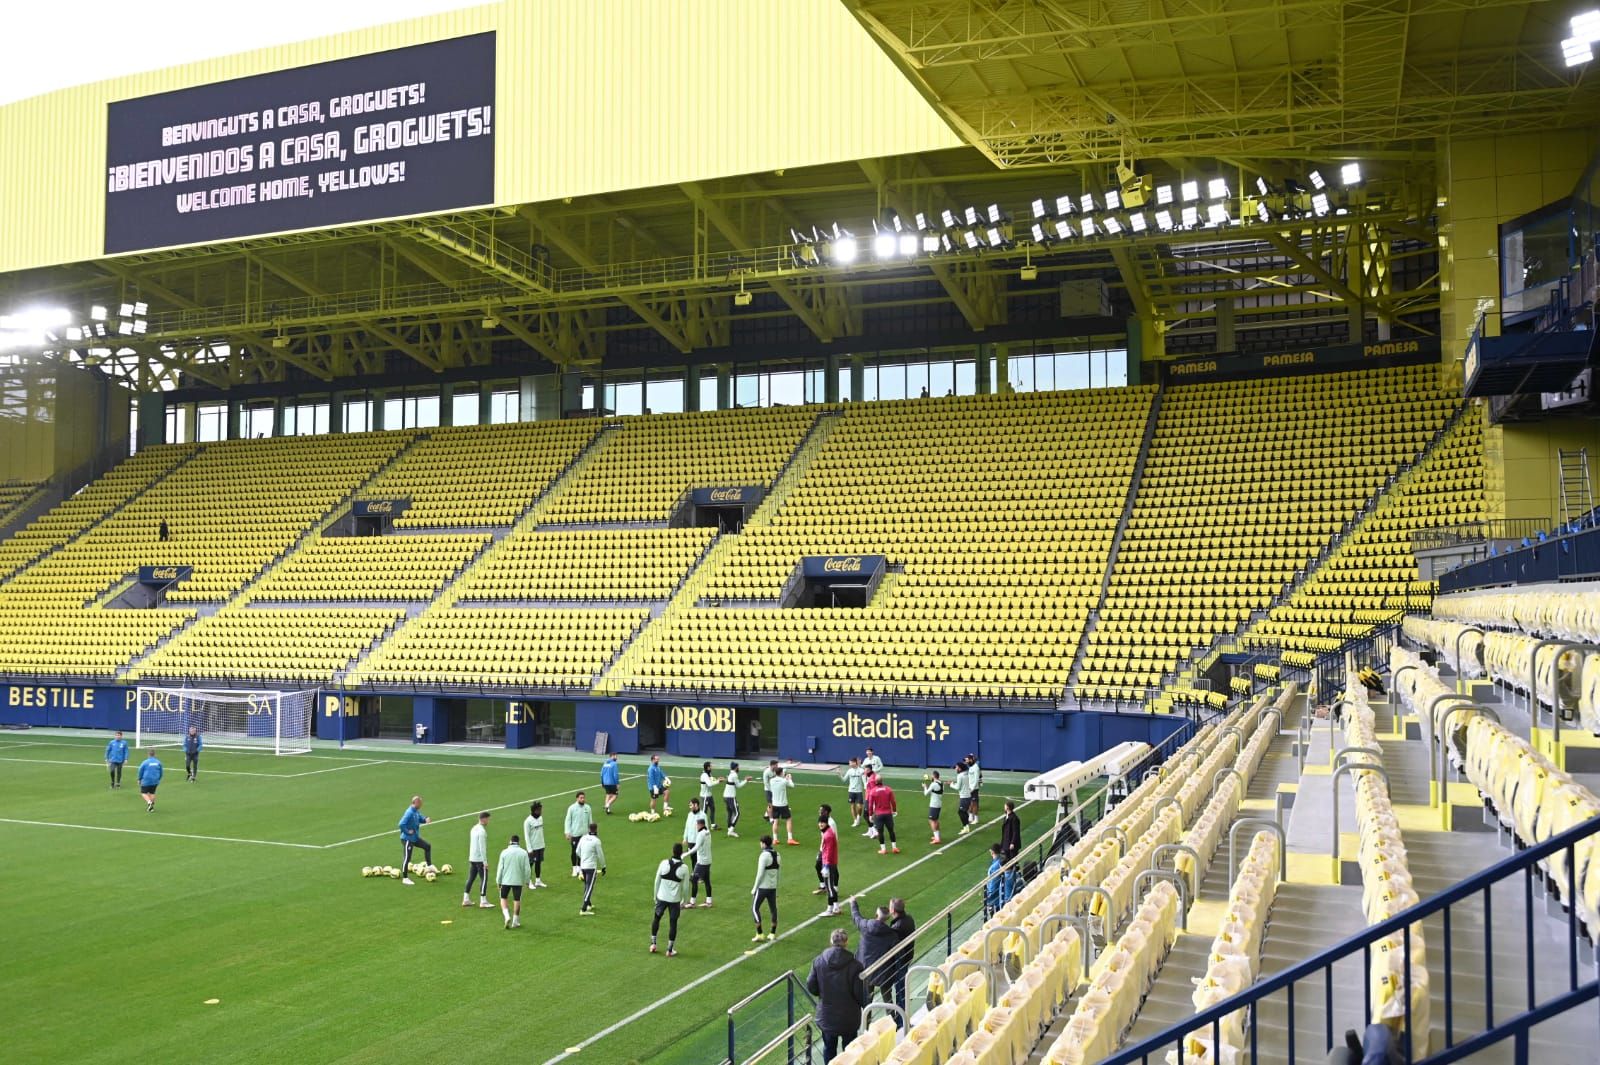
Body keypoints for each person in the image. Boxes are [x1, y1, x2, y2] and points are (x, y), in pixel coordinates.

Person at [807, 927, 867, 1061]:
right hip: (849, 1017)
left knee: (829, 1049)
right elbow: (860, 994)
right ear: (846, 942)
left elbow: (811, 985)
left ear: (831, 941)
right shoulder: (856, 965)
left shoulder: (818, 961)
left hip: (827, 1016)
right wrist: (865, 1005)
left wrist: (822, 994)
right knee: (850, 1051)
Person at [848, 897, 898, 1000]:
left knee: (867, 999)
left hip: (866, 969)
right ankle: (892, 1015)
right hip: (884, 972)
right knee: (888, 1000)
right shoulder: (892, 934)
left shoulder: (865, 926)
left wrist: (853, 903)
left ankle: (867, 1016)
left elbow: (856, 916)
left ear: (876, 915)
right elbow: (896, 954)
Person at [651, 842, 689, 956]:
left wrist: (655, 896)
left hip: (661, 898)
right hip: (674, 900)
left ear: (672, 851)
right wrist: (685, 901)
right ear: (681, 853)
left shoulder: (663, 863)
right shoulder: (684, 868)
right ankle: (670, 950)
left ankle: (653, 944)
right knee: (673, 923)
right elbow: (686, 887)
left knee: (656, 918)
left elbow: (657, 880)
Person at [885, 897, 916, 1010]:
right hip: (907, 957)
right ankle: (901, 1017)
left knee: (900, 990)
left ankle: (901, 1020)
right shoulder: (909, 919)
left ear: (893, 910)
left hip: (900, 961)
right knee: (901, 988)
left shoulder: (897, 927)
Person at [496, 833, 532, 929]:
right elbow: (527, 869)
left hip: (505, 880)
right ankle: (515, 921)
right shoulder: (523, 853)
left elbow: (500, 869)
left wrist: (498, 881)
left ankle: (507, 916)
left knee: (503, 898)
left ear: (510, 842)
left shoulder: (504, 852)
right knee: (517, 899)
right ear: (518, 842)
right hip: (518, 881)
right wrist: (527, 881)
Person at [751, 835, 781, 941]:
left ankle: (759, 934)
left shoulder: (764, 856)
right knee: (773, 909)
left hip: (763, 887)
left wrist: (754, 888)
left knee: (754, 908)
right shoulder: (777, 855)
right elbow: (778, 873)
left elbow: (760, 874)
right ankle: (772, 933)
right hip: (772, 887)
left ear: (764, 844)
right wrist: (776, 886)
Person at [397, 795, 431, 883]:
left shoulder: (416, 811)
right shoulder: (409, 812)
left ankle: (429, 866)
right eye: (420, 803)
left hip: (414, 838)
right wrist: (408, 832)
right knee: (407, 858)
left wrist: (425, 819)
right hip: (407, 839)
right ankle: (405, 878)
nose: (421, 804)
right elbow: (401, 824)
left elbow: (420, 818)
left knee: (427, 846)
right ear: (415, 803)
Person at [464, 811, 493, 908]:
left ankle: (466, 899)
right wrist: (485, 861)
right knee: (484, 879)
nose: (488, 821)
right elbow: (482, 848)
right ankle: (483, 901)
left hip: (472, 858)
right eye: (488, 819)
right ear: (483, 819)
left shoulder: (473, 828)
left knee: (471, 878)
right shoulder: (482, 831)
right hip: (479, 859)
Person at [684, 816, 714, 908]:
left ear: (700, 825)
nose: (696, 826)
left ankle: (692, 903)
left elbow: (696, 847)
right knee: (707, 881)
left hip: (701, 862)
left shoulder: (701, 834)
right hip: (708, 860)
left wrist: (686, 854)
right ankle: (709, 901)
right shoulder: (708, 832)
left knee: (693, 880)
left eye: (697, 825)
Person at [577, 823, 606, 915]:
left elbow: (577, 851)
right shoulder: (596, 841)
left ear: (588, 829)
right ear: (596, 829)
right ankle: (583, 909)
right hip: (591, 867)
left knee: (586, 885)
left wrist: (584, 857)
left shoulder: (583, 838)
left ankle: (589, 904)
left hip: (583, 866)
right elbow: (600, 855)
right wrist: (603, 866)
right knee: (589, 887)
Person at [813, 803, 840, 896]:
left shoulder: (831, 823)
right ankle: (823, 886)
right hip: (823, 848)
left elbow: (833, 837)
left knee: (833, 868)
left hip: (830, 849)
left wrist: (832, 850)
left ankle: (835, 887)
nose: (819, 812)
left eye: (821, 810)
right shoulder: (823, 821)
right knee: (818, 865)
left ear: (826, 812)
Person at [564, 791, 593, 878]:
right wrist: (567, 832)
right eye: (581, 798)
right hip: (575, 834)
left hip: (584, 834)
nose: (583, 799)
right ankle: (574, 868)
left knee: (582, 852)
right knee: (574, 851)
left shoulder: (587, 808)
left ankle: (580, 869)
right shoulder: (572, 808)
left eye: (583, 798)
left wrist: (591, 832)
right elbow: (568, 820)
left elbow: (590, 820)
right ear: (577, 798)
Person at [817, 813, 841, 916]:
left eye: (822, 822)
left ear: (826, 823)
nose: (820, 824)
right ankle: (835, 907)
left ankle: (830, 909)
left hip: (829, 863)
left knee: (830, 887)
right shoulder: (828, 832)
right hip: (829, 862)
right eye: (820, 822)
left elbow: (829, 851)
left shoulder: (828, 835)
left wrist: (826, 866)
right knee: (830, 887)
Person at [868, 776, 899, 855]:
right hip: (888, 813)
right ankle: (894, 847)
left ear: (875, 782)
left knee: (880, 832)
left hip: (878, 814)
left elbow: (870, 805)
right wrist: (894, 810)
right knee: (891, 830)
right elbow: (893, 801)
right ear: (882, 781)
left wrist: (870, 815)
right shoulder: (888, 789)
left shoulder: (873, 791)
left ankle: (883, 849)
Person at [768, 765, 798, 845]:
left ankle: (775, 839)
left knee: (775, 821)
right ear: (781, 773)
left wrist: (785, 778)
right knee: (788, 819)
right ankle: (790, 838)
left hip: (775, 804)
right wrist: (789, 779)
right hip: (783, 804)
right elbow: (792, 786)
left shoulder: (771, 780)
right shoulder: (784, 781)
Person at [523, 801, 547, 889]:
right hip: (533, 847)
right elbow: (526, 836)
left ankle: (538, 880)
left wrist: (543, 844)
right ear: (534, 810)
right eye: (539, 810)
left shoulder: (541, 818)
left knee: (538, 863)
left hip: (541, 845)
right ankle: (528, 881)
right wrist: (529, 849)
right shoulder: (528, 821)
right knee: (530, 864)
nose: (541, 811)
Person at [984, 843, 1009, 916]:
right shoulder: (1003, 860)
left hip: (996, 899)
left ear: (992, 852)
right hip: (1002, 894)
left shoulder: (994, 867)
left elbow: (993, 885)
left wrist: (988, 897)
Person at [842, 757, 867, 828]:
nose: (849, 764)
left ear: (854, 763)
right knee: (852, 806)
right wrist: (839, 774)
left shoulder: (861, 771)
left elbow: (864, 781)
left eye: (850, 762)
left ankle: (859, 816)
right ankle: (855, 820)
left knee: (859, 807)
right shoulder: (849, 771)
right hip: (851, 791)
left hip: (859, 791)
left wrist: (865, 788)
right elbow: (844, 780)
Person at [723, 761, 745, 837]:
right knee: (737, 813)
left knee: (730, 813)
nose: (739, 768)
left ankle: (729, 828)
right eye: (738, 767)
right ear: (736, 767)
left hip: (726, 796)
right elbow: (738, 786)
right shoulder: (734, 775)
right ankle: (731, 830)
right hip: (731, 797)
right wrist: (746, 780)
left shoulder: (730, 773)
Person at [999, 799, 1023, 867]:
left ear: (1007, 807)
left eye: (1005, 806)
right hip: (1006, 843)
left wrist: (1012, 843)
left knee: (1013, 861)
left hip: (1011, 844)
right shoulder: (1006, 817)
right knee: (1007, 860)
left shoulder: (1014, 818)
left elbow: (1016, 832)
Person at [923, 770, 944, 844]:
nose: (931, 776)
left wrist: (925, 787)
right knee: (936, 820)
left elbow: (926, 793)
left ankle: (937, 838)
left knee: (931, 820)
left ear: (934, 776)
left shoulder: (933, 784)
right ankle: (937, 836)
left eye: (932, 775)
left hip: (934, 804)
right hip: (938, 804)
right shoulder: (941, 783)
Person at [697, 761, 720, 829]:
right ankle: (700, 826)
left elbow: (712, 781)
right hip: (705, 796)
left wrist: (718, 779)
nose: (712, 767)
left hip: (709, 795)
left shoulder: (709, 774)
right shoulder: (704, 775)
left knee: (713, 809)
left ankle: (712, 825)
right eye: (711, 766)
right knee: (704, 812)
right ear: (708, 767)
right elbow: (709, 784)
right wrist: (718, 781)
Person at [954, 761, 974, 835]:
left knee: (961, 812)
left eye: (956, 767)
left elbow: (958, 787)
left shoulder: (960, 776)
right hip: (968, 796)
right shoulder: (966, 774)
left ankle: (966, 827)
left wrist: (951, 785)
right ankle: (966, 827)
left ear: (959, 768)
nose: (955, 768)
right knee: (963, 812)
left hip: (964, 797)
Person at [966, 754, 983, 821]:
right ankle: (970, 816)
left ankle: (976, 818)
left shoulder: (976, 767)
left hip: (974, 789)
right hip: (970, 788)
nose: (967, 761)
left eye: (968, 760)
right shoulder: (970, 767)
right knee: (970, 803)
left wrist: (972, 788)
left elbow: (976, 779)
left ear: (971, 760)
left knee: (974, 803)